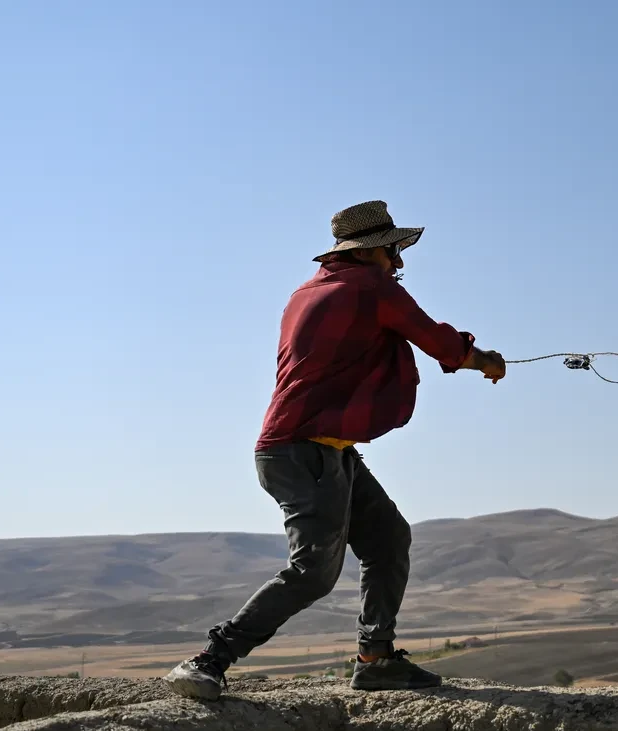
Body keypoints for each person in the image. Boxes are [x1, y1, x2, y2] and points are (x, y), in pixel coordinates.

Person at [164, 200, 506, 700]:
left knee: (388, 538)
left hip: (321, 449)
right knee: (314, 572)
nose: (400, 263)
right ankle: (209, 660)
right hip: (303, 451)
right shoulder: (372, 288)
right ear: (376, 251)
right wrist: (484, 360)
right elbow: (441, 344)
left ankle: (376, 660)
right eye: (395, 252)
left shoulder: (307, 292)